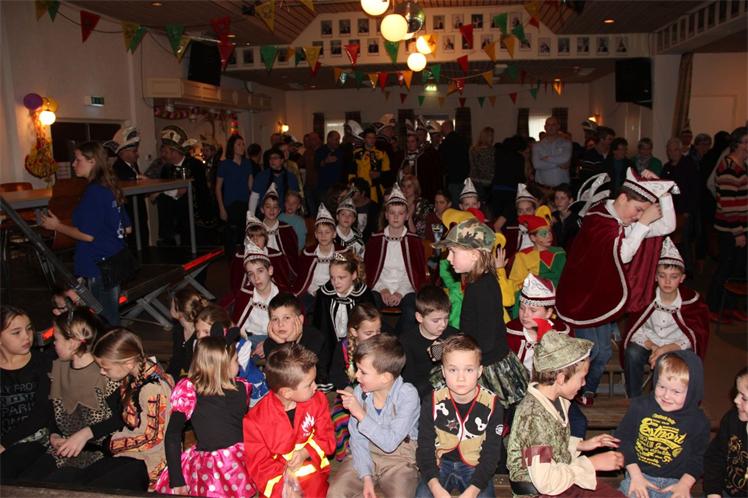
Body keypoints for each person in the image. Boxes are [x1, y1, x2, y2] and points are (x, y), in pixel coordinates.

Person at [557, 170, 677, 406]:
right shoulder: (599, 219)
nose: (639, 215)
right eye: (638, 209)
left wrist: (663, 191)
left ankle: (586, 390)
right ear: (623, 198)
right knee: (591, 351)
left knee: (603, 351)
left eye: (642, 212)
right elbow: (622, 254)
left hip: (600, 299)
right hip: (581, 300)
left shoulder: (624, 220)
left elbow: (667, 225)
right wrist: (642, 223)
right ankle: (573, 389)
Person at [507, 330, 625, 497]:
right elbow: (545, 482)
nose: (584, 384)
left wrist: (580, 445)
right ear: (561, 378)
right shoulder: (533, 417)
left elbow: (550, 442)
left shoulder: (557, 399)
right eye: (582, 377)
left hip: (559, 478)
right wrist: (592, 463)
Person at [20, 308, 123, 485]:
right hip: (61, 449)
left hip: (99, 452)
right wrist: (54, 434)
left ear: (73, 343)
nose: (53, 343)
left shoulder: (106, 372)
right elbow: (51, 411)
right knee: (25, 481)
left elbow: (121, 418)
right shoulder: (57, 369)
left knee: (58, 485)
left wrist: (86, 434)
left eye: (57, 339)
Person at [434, 218, 529, 407]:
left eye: (453, 252)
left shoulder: (481, 288)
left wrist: (447, 347)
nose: (448, 258)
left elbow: (484, 342)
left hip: (488, 369)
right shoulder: (480, 281)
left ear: (475, 254)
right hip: (482, 359)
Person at [40, 141, 131, 326]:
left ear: (92, 161)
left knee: (104, 321)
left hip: (98, 264)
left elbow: (88, 235)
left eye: (78, 159)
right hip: (113, 261)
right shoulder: (110, 188)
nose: (73, 164)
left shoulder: (94, 192)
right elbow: (127, 228)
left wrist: (57, 226)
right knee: (107, 317)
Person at [155, 334, 256, 497]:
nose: (239, 364)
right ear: (222, 366)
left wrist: (177, 480)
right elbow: (173, 434)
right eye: (235, 360)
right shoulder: (193, 390)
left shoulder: (239, 388)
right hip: (224, 462)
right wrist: (177, 479)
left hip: (229, 461)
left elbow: (173, 435)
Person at [329, 335, 420, 498]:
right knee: (336, 492)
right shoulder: (359, 392)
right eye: (357, 369)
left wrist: (360, 414)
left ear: (385, 377)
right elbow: (357, 439)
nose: (357, 376)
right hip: (364, 453)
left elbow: (390, 443)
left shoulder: (407, 395)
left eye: (363, 372)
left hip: (398, 459)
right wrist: (366, 476)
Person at [416, 335, 504, 498]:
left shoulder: (492, 404)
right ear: (443, 371)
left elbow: (491, 454)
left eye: (468, 370)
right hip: (439, 464)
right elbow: (424, 447)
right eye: (453, 370)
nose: (460, 377)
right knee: (423, 495)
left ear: (479, 371)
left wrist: (473, 490)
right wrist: (435, 487)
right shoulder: (432, 400)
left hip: (475, 466)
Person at [621, 238, 710, 398]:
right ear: (655, 277)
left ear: (682, 278)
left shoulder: (691, 301)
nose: (667, 281)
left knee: (672, 361)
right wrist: (653, 346)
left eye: (674, 276)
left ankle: (661, 399)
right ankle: (634, 398)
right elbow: (635, 329)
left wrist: (665, 349)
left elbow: (694, 335)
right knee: (632, 353)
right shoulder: (645, 298)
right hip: (649, 343)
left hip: (677, 346)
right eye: (662, 276)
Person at [243, 343, 335, 498]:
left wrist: (306, 452)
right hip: (277, 483)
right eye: (309, 384)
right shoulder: (255, 421)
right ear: (286, 393)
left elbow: (327, 437)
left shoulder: (318, 401)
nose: (316, 386)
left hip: (313, 476)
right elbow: (259, 465)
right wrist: (284, 487)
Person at [615, 351, 710, 498]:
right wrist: (635, 475)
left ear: (692, 391)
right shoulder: (640, 407)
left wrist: (685, 485)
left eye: (676, 392)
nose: (666, 396)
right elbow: (623, 439)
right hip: (639, 475)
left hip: (675, 482)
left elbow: (699, 457)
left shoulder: (698, 421)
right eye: (661, 387)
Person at [93, 328, 174, 490]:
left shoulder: (152, 389)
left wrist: (113, 443)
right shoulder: (136, 372)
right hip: (136, 451)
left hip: (153, 462)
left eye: (106, 368)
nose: (102, 372)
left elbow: (152, 438)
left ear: (128, 363)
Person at [365, 184, 427, 335]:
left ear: (406, 216)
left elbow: (414, 273)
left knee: (411, 312)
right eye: (392, 213)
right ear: (386, 215)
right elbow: (371, 271)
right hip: (380, 287)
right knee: (368, 312)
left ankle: (399, 340)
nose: (396, 217)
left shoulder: (414, 241)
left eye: (400, 213)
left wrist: (400, 292)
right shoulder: (375, 240)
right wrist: (382, 289)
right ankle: (389, 337)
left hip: (406, 287)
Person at [0, 306, 53, 481]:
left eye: (29, 329)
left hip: (35, 439)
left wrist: (4, 444)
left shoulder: (43, 363)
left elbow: (41, 414)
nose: (26, 336)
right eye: (16, 332)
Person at [329, 304, 383, 461]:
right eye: (368, 333)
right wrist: (347, 387)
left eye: (378, 331)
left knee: (377, 416)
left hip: (377, 392)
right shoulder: (343, 347)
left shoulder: (383, 347)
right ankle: (349, 450)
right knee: (339, 417)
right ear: (354, 331)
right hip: (351, 392)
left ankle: (374, 447)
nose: (375, 336)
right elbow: (335, 374)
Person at [706, 127, 748, 323]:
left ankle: (729, 307)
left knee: (737, 270)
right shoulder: (728, 166)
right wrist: (738, 233)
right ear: (737, 144)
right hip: (730, 229)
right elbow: (729, 205)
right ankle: (713, 307)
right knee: (725, 268)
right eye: (746, 142)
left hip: (741, 227)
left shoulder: (742, 165)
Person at [313, 251, 373, 376]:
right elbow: (320, 325)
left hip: (356, 345)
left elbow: (370, 326)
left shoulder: (363, 295)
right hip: (330, 344)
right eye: (332, 277)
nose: (336, 282)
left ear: (354, 275)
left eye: (341, 277)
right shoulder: (324, 295)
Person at [399, 285, 459, 398]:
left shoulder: (454, 336)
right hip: (422, 391)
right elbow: (409, 381)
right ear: (419, 317)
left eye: (446, 318)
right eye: (436, 320)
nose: (443, 324)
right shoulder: (406, 341)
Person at [261, 293, 331, 388]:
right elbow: (280, 377)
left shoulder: (315, 337)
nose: (280, 324)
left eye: (286, 318)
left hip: (316, 387)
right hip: (285, 389)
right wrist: (284, 344)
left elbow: (300, 373)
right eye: (275, 319)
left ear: (300, 320)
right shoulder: (269, 344)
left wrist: (291, 343)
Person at [155, 125, 210, 243]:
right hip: (175, 220)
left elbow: (197, 190)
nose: (163, 155)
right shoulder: (166, 169)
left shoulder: (195, 165)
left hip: (196, 218)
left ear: (174, 152)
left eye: (165, 152)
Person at [508, 212, 566, 317]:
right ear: (533, 238)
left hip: (561, 297)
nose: (549, 236)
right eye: (543, 233)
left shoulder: (559, 252)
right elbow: (516, 282)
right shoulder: (523, 256)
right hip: (536, 299)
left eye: (549, 232)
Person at [703, 367, 748, 498]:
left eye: (744, 398)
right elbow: (715, 457)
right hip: (723, 490)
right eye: (737, 393)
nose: (736, 400)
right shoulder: (732, 419)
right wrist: (713, 493)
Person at [291, 204, 342, 313]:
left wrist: (327, 291)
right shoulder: (309, 253)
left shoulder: (340, 253)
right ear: (315, 234)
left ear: (334, 234)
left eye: (327, 232)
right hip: (312, 291)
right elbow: (304, 276)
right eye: (320, 232)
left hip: (335, 290)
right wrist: (314, 290)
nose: (323, 236)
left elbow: (344, 275)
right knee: (298, 308)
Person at [662, 137, 700, 273]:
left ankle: (687, 270)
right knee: (671, 241)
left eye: (675, 150)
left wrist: (688, 211)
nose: (673, 153)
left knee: (684, 242)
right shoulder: (666, 167)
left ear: (680, 150)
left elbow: (695, 190)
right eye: (670, 150)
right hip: (669, 210)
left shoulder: (689, 165)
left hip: (684, 211)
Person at [233, 239, 280, 350]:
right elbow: (237, 322)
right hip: (248, 338)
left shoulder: (281, 296)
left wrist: (268, 343)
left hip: (274, 339)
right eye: (251, 274)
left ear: (270, 270)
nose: (256, 278)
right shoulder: (245, 295)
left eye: (260, 271)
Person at [108, 125, 149, 247]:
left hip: (139, 214)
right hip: (130, 215)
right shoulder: (118, 168)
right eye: (134, 151)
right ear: (124, 153)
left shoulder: (133, 165)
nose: (137, 154)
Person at [217, 135, 254, 255]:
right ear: (232, 147)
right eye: (239, 144)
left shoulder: (247, 163)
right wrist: (221, 208)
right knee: (231, 237)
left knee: (245, 235)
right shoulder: (224, 164)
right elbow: (218, 188)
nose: (242, 147)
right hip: (230, 204)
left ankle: (245, 259)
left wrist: (254, 205)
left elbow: (251, 186)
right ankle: (232, 261)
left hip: (245, 203)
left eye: (243, 144)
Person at [166, 288, 207, 381]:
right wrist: (168, 376)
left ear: (179, 313)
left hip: (197, 378)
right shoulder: (178, 330)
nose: (169, 307)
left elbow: (199, 368)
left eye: (172, 305)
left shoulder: (199, 335)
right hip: (183, 376)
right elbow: (176, 359)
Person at [249, 147, 301, 216]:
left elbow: (295, 199)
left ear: (282, 160)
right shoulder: (261, 176)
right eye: (270, 158)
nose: (272, 160)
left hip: (285, 214)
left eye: (275, 158)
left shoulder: (291, 177)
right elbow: (254, 197)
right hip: (265, 214)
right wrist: (251, 216)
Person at [259, 183, 300, 270]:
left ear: (279, 210)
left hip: (282, 268)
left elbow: (292, 255)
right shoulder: (257, 230)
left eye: (275, 207)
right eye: (268, 206)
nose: (272, 210)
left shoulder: (287, 229)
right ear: (262, 209)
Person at [492, 135, 529, 223]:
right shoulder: (519, 158)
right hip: (511, 190)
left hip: (496, 189)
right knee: (510, 218)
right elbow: (521, 177)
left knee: (497, 217)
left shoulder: (498, 154)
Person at [532, 117, 573, 188]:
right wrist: (559, 164)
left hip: (562, 188)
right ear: (545, 127)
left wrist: (547, 158)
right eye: (548, 125)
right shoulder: (537, 146)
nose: (550, 127)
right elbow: (537, 165)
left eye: (553, 125)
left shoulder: (566, 144)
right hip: (542, 188)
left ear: (558, 126)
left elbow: (564, 159)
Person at [353, 128, 391, 204]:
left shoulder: (382, 153)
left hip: (377, 189)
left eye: (374, 138)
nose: (372, 140)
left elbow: (388, 173)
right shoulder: (356, 153)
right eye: (369, 137)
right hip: (361, 190)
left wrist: (379, 174)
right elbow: (351, 171)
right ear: (364, 139)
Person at [441, 120, 471, 205]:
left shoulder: (446, 143)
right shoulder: (463, 140)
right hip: (464, 177)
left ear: (447, 128)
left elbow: (443, 161)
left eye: (442, 128)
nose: (442, 131)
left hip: (452, 178)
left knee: (454, 202)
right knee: (464, 202)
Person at [468, 126, 496, 207]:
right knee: (487, 206)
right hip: (488, 181)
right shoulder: (492, 151)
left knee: (475, 204)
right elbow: (492, 166)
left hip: (475, 180)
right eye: (491, 136)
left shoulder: (473, 149)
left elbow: (472, 165)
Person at [402, 174, 435, 239]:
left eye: (409, 186)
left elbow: (421, 232)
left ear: (415, 187)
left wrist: (409, 216)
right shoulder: (400, 203)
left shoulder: (423, 204)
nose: (405, 189)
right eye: (403, 186)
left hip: (419, 239)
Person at [551, 183, 581, 251]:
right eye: (556, 198)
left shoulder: (577, 220)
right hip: (555, 253)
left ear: (570, 200)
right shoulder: (552, 216)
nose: (558, 202)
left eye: (563, 198)